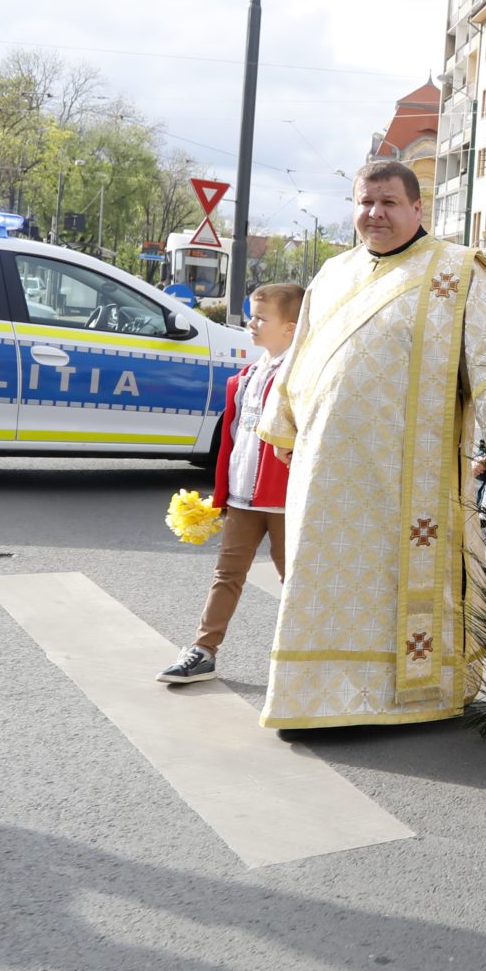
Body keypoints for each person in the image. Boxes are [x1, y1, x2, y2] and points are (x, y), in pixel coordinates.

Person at [255, 159, 486, 731]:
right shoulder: (331, 273)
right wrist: (284, 424)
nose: (374, 213)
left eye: (387, 203)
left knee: (392, 582)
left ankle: (410, 696)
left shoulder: (456, 271)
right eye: (364, 202)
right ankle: (317, 696)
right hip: (327, 465)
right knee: (327, 579)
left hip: (409, 468)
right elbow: (301, 356)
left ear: (416, 208)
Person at [161, 282, 303, 686]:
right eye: (251, 315)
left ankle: (304, 660)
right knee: (227, 574)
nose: (251, 323)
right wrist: (221, 495)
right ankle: (203, 650)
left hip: (285, 501)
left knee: (294, 580)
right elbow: (233, 441)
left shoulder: (301, 376)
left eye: (261, 318)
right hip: (244, 496)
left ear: (291, 328)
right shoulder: (248, 376)